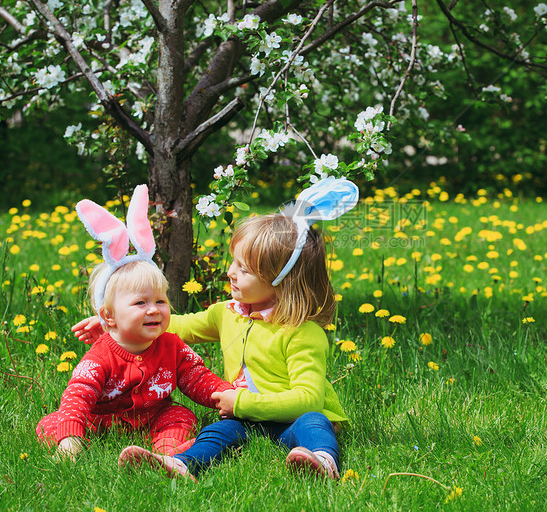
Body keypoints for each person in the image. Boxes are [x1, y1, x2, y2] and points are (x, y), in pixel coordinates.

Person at [73, 177, 359, 480]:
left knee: (314, 423)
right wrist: (116, 327)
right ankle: (182, 464)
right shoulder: (227, 314)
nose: (230, 272)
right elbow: (177, 326)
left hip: (292, 419)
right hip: (246, 417)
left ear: (282, 281)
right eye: (234, 262)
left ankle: (322, 461)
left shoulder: (302, 334)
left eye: (244, 269)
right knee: (217, 432)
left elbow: (309, 398)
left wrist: (242, 402)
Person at [37, 185, 232, 462]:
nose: (153, 310)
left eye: (161, 301)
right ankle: (76, 446)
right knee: (53, 423)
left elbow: (196, 377)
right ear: (109, 317)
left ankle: (166, 453)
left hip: (154, 415)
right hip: (101, 420)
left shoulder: (171, 346)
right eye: (140, 303)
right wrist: (70, 436)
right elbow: (78, 395)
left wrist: (225, 395)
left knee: (180, 415)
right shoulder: (100, 356)